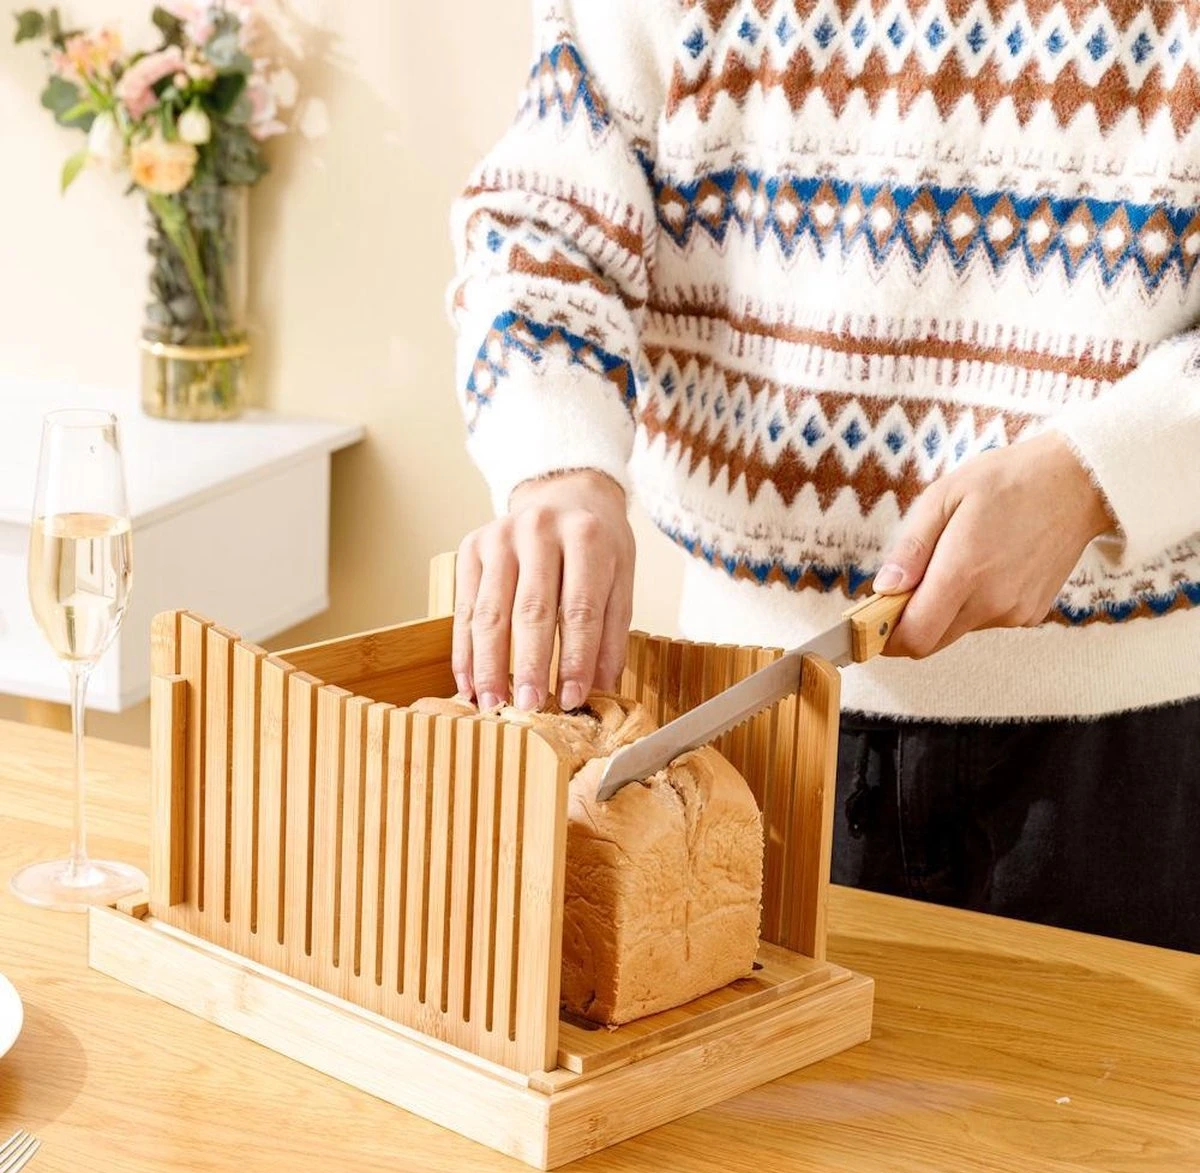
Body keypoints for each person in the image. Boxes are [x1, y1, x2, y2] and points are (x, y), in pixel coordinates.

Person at [446, 1, 1200, 952]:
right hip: (739, 723)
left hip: (1135, 756)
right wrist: (557, 461)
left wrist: (1098, 476)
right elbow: (542, 228)